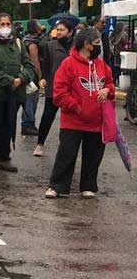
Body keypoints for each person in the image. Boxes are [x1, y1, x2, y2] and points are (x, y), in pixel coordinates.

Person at [44, 27, 115, 198]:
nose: (99, 46)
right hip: (73, 121)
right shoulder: (68, 64)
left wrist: (107, 90)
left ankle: (88, 185)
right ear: (87, 44)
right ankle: (57, 186)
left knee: (93, 156)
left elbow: (110, 85)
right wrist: (77, 107)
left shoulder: (101, 65)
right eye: (97, 43)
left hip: (97, 122)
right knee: (66, 154)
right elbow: (59, 93)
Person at [0, 13, 35, 173]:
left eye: (8, 24)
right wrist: (10, 80)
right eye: (2, 24)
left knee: (8, 125)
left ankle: (4, 157)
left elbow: (29, 65)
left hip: (14, 93)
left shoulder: (17, 43)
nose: (5, 27)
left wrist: (21, 78)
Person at [34, 20, 75, 157]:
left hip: (72, 88)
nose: (59, 32)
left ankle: (67, 147)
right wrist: (43, 78)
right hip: (54, 86)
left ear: (70, 32)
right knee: (47, 116)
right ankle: (40, 144)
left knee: (70, 119)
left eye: (62, 30)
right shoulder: (49, 46)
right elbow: (46, 64)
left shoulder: (76, 47)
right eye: (57, 30)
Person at [20, 20, 44, 137]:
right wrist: (40, 76)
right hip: (31, 75)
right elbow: (35, 61)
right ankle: (28, 124)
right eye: (39, 25)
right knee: (30, 100)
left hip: (28, 74)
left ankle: (29, 124)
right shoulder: (32, 42)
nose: (41, 26)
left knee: (31, 99)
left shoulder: (27, 39)